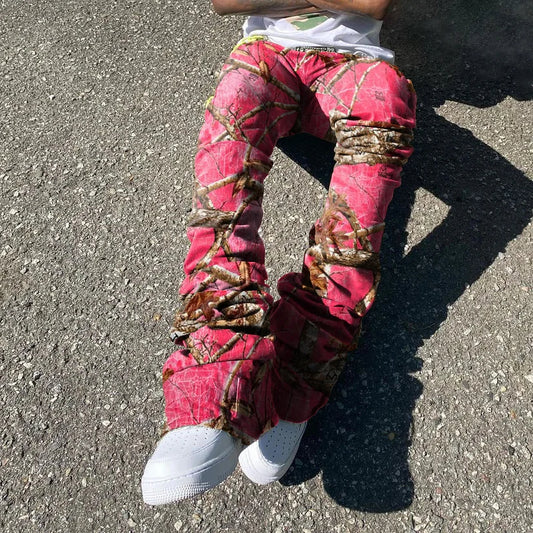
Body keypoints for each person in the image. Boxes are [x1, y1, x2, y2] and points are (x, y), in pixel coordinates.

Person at [141, 0, 416, 505]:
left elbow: (374, 4)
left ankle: (296, 378)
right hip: (268, 56)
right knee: (232, 103)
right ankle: (213, 379)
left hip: (356, 64)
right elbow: (227, 2)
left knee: (387, 100)